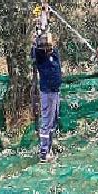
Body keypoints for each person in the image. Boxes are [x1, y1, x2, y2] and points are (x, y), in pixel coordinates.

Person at [31, 33, 62, 163]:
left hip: (55, 91)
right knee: (46, 122)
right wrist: (38, 36)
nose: (49, 45)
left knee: (53, 119)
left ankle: (50, 145)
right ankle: (44, 152)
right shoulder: (41, 57)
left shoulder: (54, 54)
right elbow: (35, 52)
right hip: (47, 92)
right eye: (46, 43)